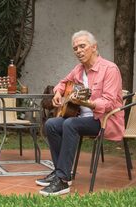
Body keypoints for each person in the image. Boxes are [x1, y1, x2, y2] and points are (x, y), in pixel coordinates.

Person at [36, 30, 125, 196]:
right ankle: (61, 172)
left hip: (104, 120)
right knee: (51, 124)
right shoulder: (78, 69)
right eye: (75, 48)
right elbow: (63, 83)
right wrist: (57, 93)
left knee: (70, 124)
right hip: (81, 119)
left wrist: (88, 104)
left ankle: (62, 180)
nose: (78, 50)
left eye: (82, 46)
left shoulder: (110, 69)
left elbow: (109, 102)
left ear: (94, 47)